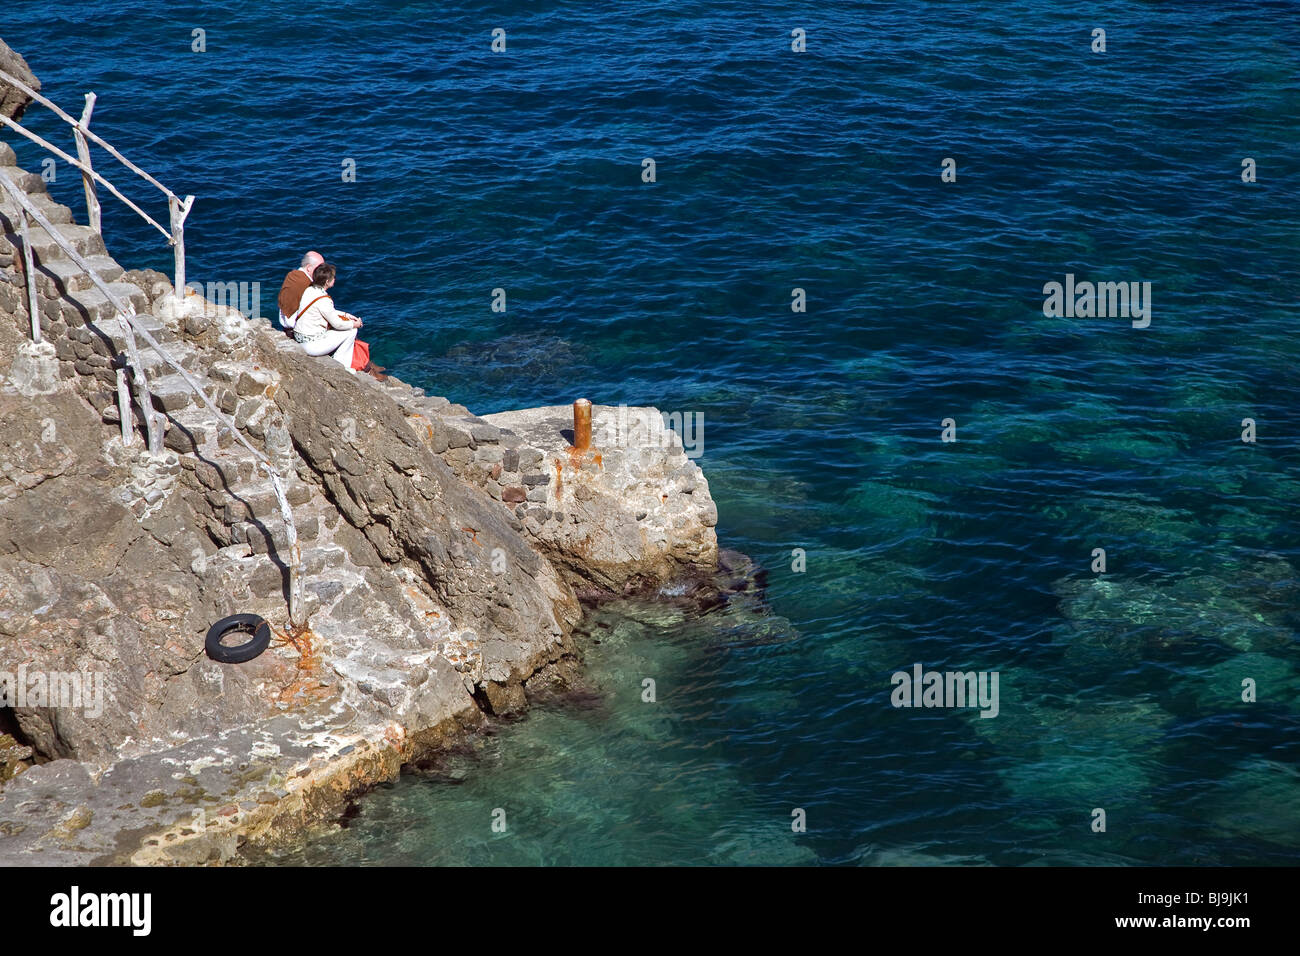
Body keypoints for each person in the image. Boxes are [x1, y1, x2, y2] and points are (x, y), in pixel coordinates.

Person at [290, 263, 362, 372]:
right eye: (333, 277)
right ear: (327, 282)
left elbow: (326, 311)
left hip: (300, 338)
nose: (335, 279)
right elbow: (337, 324)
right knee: (351, 331)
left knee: (346, 328)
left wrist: (346, 315)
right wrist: (354, 324)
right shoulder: (324, 299)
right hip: (311, 345)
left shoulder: (309, 290)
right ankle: (342, 367)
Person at [278, 251, 323, 333]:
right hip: (297, 329)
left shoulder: (291, 275)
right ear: (309, 268)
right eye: (320, 268)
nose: (323, 271)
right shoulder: (309, 285)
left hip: (285, 326)